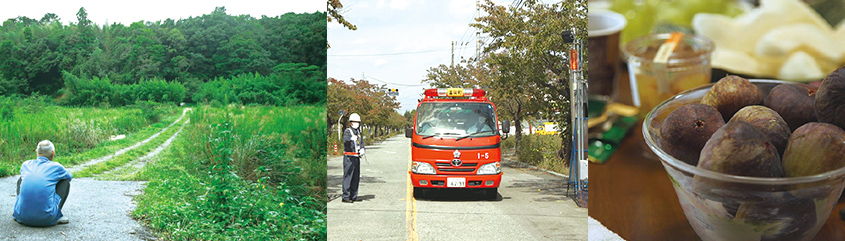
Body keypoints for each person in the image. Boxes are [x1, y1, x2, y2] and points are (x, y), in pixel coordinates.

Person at [13, 140, 72, 227]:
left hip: (20, 216)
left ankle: (22, 210)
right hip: (46, 219)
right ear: (53, 153)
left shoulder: (26, 164)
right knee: (65, 180)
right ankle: (55, 216)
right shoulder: (56, 167)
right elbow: (69, 176)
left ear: (36, 152)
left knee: (21, 179)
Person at [341, 113, 365, 203]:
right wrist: (351, 138)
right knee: (348, 176)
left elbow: (361, 142)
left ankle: (353, 195)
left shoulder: (358, 132)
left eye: (358, 122)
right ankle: (346, 196)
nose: (357, 124)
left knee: (356, 176)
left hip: (356, 157)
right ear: (351, 123)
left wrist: (362, 149)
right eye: (355, 122)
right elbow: (345, 140)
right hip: (349, 157)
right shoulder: (348, 131)